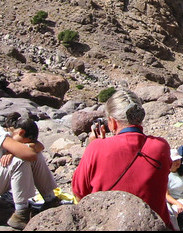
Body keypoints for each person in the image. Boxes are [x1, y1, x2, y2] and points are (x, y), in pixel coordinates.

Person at [72, 90, 173, 230]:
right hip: (156, 225)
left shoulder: (96, 148)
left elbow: (79, 192)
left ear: (113, 122)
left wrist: (95, 145)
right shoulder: (161, 146)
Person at [0, 112, 60, 230]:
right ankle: (21, 214)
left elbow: (39, 146)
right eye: (24, 142)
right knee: (20, 160)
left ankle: (50, 200)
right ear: (21, 132)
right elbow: (29, 154)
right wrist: (17, 151)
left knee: (33, 155)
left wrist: (14, 151)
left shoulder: (7, 133)